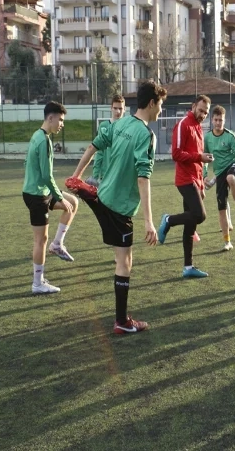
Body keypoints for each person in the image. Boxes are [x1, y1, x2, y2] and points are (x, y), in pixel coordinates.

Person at [65, 80, 166, 334]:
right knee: (125, 262)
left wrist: (77, 176)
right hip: (119, 209)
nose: (161, 111)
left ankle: (86, 191)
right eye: (161, 105)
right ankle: (122, 322)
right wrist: (149, 221)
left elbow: (93, 146)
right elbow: (143, 178)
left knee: (119, 258)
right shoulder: (146, 135)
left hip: (103, 197)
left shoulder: (119, 123)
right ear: (152, 103)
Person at [22, 101, 79, 294]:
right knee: (40, 240)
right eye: (60, 120)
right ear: (50, 118)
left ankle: (58, 244)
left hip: (41, 192)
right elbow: (47, 176)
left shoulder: (38, 135)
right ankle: (37, 283)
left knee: (73, 202)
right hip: (36, 195)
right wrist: (58, 197)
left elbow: (27, 162)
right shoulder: (43, 140)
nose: (62, 124)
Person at [157, 95, 214, 278]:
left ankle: (188, 267)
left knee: (191, 225)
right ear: (193, 106)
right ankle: (168, 220)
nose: (203, 114)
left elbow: (198, 159)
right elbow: (176, 154)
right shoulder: (183, 124)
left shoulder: (199, 128)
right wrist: (199, 157)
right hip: (184, 179)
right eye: (201, 110)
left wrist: (201, 186)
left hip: (195, 180)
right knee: (200, 215)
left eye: (206, 112)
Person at [203, 105, 235, 251]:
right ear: (212, 120)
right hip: (219, 173)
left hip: (232, 165)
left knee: (231, 178)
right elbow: (205, 158)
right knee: (221, 208)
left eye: (221, 120)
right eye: (216, 120)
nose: (218, 123)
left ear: (225, 120)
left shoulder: (230, 136)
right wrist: (205, 175)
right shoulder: (208, 138)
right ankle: (227, 242)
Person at [87, 94, 125, 187]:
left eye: (120, 108)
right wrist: (95, 176)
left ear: (125, 109)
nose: (118, 111)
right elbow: (99, 152)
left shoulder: (128, 127)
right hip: (106, 174)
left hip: (123, 174)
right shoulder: (103, 126)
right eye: (115, 108)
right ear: (111, 108)